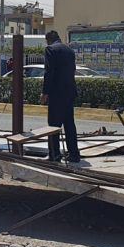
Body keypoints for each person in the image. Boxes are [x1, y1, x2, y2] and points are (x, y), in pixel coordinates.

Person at [42, 30, 80, 163]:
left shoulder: (50, 49)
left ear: (48, 40)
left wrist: (45, 92)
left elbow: (49, 72)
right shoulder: (69, 50)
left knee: (53, 125)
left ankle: (54, 154)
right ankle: (74, 154)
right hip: (69, 92)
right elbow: (73, 70)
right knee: (69, 124)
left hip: (56, 93)